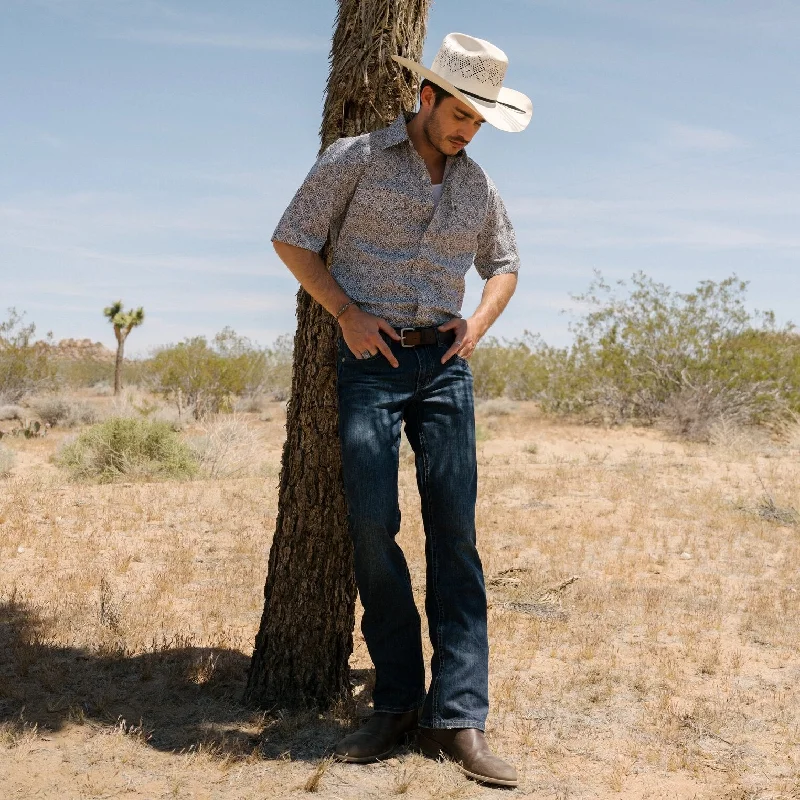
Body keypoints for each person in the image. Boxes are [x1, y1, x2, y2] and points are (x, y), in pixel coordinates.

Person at [271, 32, 532, 787]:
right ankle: (394, 702)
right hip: (372, 363)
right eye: (460, 115)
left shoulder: (477, 186)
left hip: (445, 369)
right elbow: (294, 239)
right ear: (426, 97)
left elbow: (506, 263)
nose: (466, 132)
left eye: (479, 122)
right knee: (371, 523)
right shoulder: (354, 158)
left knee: (456, 537)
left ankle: (459, 719)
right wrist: (347, 314)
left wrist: (475, 326)